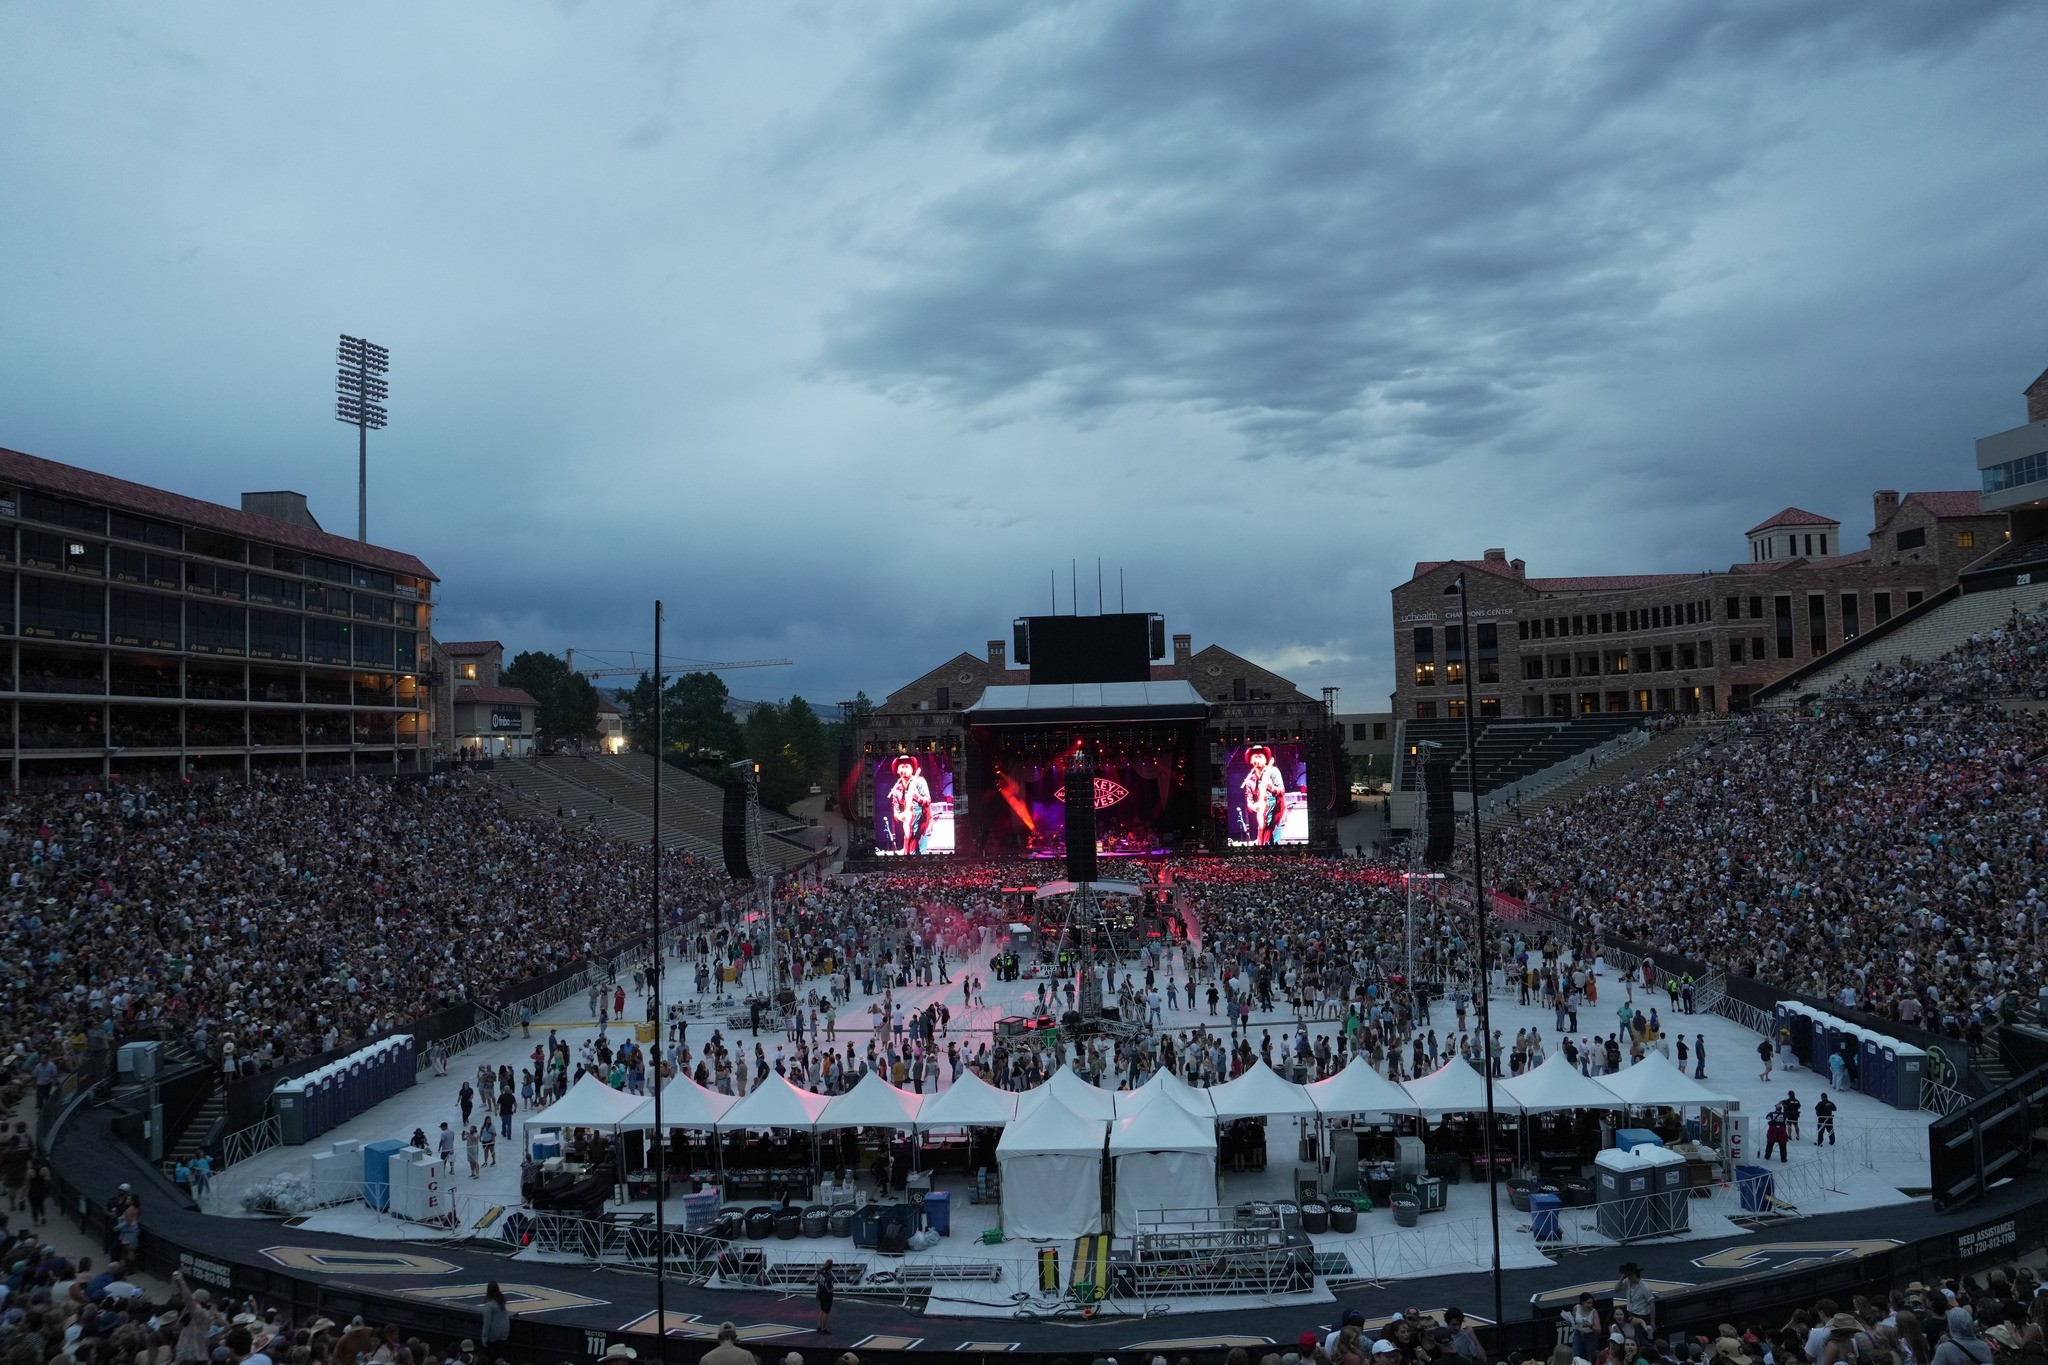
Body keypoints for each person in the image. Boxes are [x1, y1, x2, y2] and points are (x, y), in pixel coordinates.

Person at [1240, 745, 1288, 846]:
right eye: (1255, 757)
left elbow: (1282, 791)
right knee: (1261, 845)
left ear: (1266, 759)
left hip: (1277, 813)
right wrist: (1254, 806)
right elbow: (1249, 802)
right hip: (1263, 815)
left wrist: (1271, 787)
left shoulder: (1273, 771)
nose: (1258, 759)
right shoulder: (1250, 780)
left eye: (1260, 756)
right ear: (1250, 760)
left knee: (1272, 845)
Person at [886, 755, 934, 854]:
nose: (904, 768)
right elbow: (896, 813)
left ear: (912, 769)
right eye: (902, 766)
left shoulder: (920, 781)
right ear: (898, 771)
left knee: (917, 855)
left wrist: (917, 797)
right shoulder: (896, 790)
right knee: (907, 855)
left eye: (907, 766)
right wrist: (901, 816)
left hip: (923, 825)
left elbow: (928, 801)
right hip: (909, 827)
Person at [1615, 1261, 1656, 1332]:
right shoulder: (1627, 1282)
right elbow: (1616, 1290)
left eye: (1630, 1275)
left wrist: (1652, 1322)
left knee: (1637, 1336)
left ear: (1635, 1274)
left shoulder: (1645, 1287)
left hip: (1642, 1315)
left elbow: (1651, 1304)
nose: (1628, 1277)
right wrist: (1622, 1278)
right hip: (1630, 1313)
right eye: (1627, 1275)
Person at [816, 1257, 836, 1334]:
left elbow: (816, 1278)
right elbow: (829, 1290)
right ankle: (824, 1329)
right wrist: (837, 1289)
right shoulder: (829, 1277)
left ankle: (820, 1327)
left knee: (821, 1310)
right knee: (826, 1312)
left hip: (820, 1292)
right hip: (827, 1296)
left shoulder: (820, 1272)